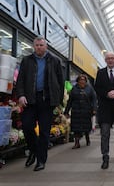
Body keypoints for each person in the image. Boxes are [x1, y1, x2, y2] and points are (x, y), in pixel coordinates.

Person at [16, 35, 64, 171]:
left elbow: (60, 82)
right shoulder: (27, 60)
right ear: (34, 46)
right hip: (30, 99)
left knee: (44, 132)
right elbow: (20, 80)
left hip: (47, 100)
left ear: (46, 46)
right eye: (36, 45)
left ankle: (41, 160)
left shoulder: (55, 60)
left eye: (41, 45)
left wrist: (58, 101)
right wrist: (21, 95)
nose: (38, 47)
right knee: (26, 126)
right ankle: (33, 150)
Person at [64, 74, 97, 149]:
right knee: (76, 128)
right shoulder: (74, 89)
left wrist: (94, 109)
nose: (82, 81)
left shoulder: (90, 89)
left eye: (83, 80)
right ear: (78, 81)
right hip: (76, 111)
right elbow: (70, 101)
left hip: (86, 111)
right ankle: (77, 143)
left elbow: (94, 99)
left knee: (86, 127)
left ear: (86, 81)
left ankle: (87, 138)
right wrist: (66, 111)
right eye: (80, 80)